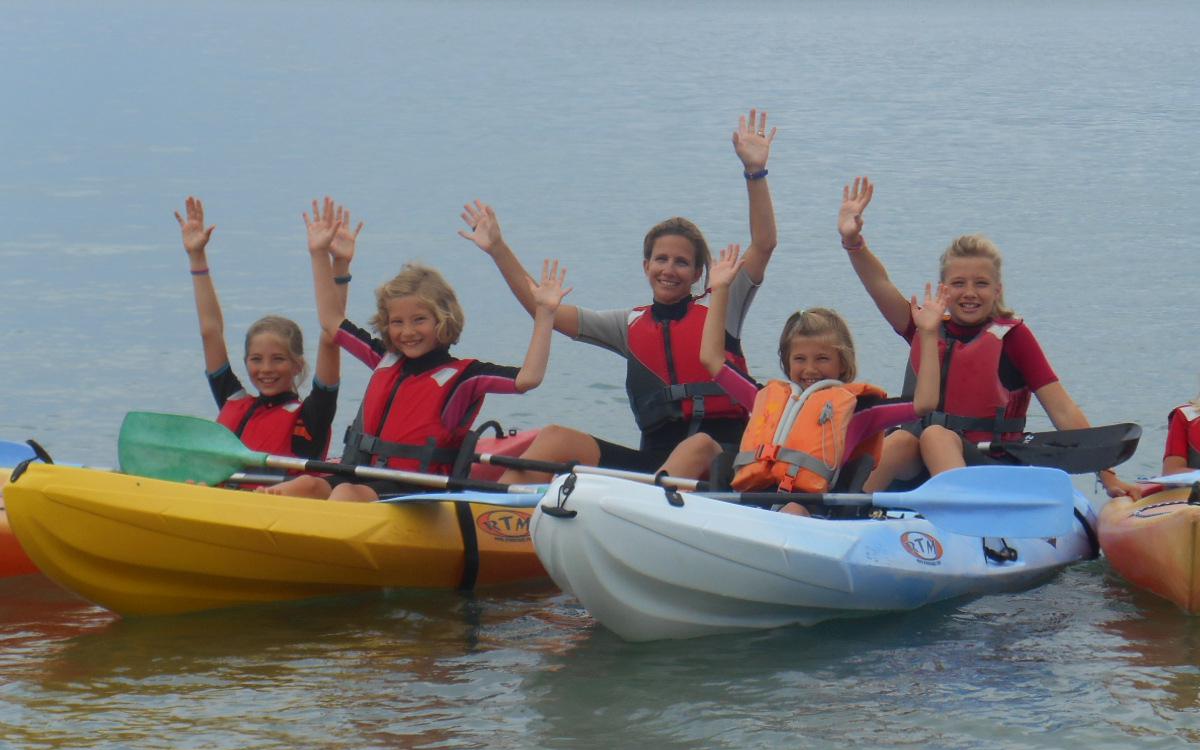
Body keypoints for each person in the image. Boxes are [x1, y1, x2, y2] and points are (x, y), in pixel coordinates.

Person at [459, 110, 778, 482]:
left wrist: (755, 173)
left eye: (681, 262)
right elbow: (543, 307)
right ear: (646, 266)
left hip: (720, 464)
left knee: (698, 445)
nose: (669, 270)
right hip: (652, 468)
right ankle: (499, 522)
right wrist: (498, 248)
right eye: (661, 259)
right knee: (556, 438)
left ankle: (641, 517)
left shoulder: (722, 302)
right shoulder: (629, 325)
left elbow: (764, 243)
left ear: (697, 273)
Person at [836, 176, 1139, 498]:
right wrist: (853, 242)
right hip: (923, 464)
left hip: (991, 463)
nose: (969, 293)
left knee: (936, 435)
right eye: (958, 283)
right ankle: (842, 517)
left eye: (981, 284)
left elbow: (1062, 410)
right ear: (943, 289)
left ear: (998, 290)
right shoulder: (927, 326)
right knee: (898, 441)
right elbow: (879, 284)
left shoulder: (1014, 338)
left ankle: (969, 518)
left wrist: (1109, 477)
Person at [269, 256, 570, 501]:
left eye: (419, 320)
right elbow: (331, 321)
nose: (407, 332)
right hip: (361, 475)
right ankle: (258, 511)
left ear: (443, 319)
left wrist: (545, 314)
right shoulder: (385, 359)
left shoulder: (465, 377)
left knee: (346, 494)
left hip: (417, 491)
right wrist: (320, 253)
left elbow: (528, 378)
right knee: (306, 485)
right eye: (397, 322)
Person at [658, 243, 947, 498]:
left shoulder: (861, 410)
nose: (810, 369)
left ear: (842, 363)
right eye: (800, 359)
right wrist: (720, 289)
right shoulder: (763, 398)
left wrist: (929, 334)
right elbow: (712, 360)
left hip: (809, 510)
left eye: (822, 359)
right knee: (700, 444)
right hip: (752, 502)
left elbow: (924, 404)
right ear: (787, 362)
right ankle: (649, 504)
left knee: (794, 509)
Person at [175, 195, 354, 459]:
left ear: (297, 365)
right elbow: (210, 331)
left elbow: (332, 335)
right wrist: (197, 257)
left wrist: (339, 266)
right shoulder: (233, 400)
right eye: (256, 360)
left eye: (278, 359)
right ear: (246, 362)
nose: (266, 369)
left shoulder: (312, 414)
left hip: (278, 497)